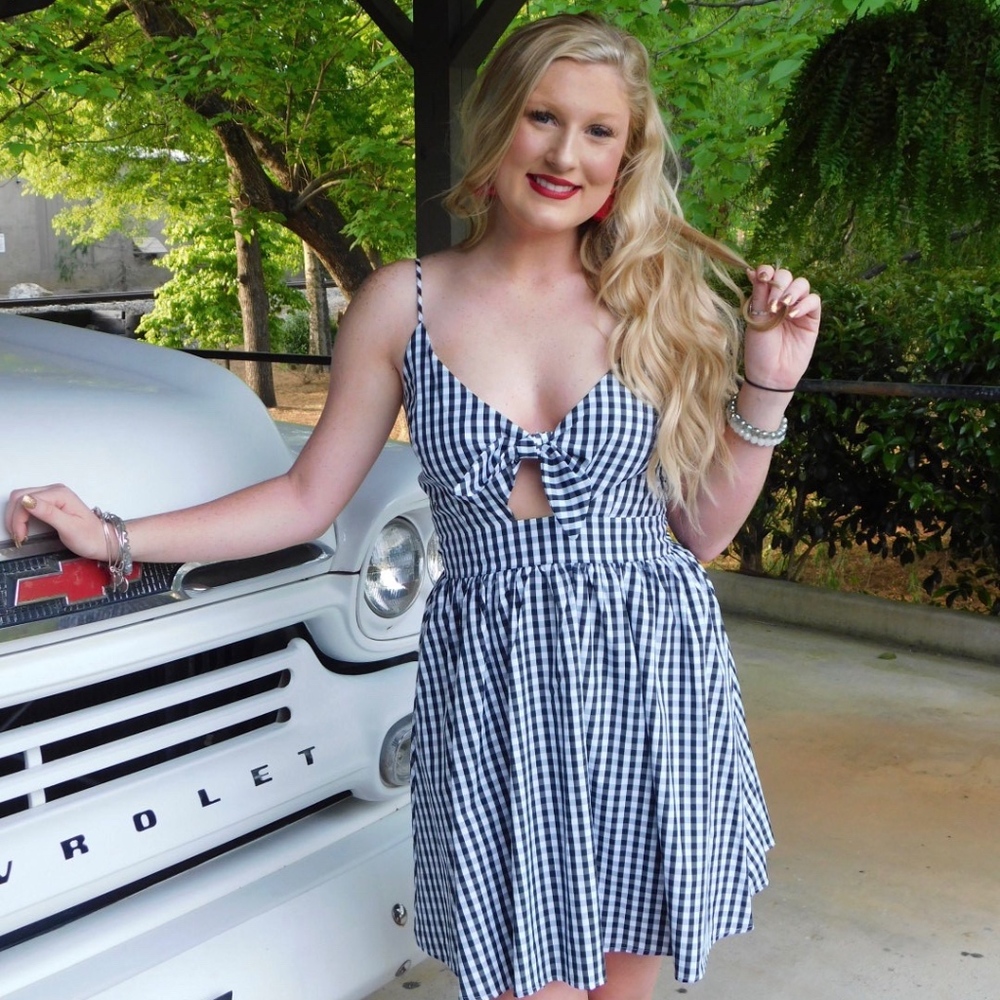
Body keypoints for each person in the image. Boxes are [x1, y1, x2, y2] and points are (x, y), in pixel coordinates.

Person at [6, 13, 820, 1000]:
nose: (567, 152)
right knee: (529, 976)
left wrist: (765, 387)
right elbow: (307, 498)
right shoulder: (405, 303)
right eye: (543, 117)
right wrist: (118, 534)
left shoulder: (655, 300)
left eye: (599, 131)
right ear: (496, 126)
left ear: (627, 156)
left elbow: (700, 532)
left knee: (625, 977)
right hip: (495, 680)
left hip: (649, 665)